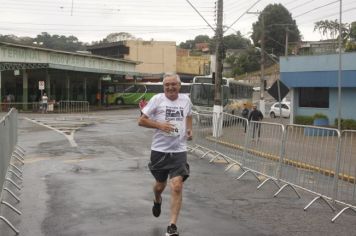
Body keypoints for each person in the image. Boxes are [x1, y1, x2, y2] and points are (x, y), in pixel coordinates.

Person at [138, 73, 193, 236]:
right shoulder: (157, 99)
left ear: (179, 85)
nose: (170, 87)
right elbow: (141, 120)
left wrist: (189, 129)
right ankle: (157, 199)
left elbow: (188, 116)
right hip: (159, 151)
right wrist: (160, 125)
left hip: (179, 151)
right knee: (160, 185)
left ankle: (172, 226)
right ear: (163, 87)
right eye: (167, 84)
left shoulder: (186, 100)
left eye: (173, 84)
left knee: (177, 186)